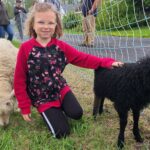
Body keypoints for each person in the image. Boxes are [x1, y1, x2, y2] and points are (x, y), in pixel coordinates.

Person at [14, 3, 123, 138]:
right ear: (33, 24)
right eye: (41, 22)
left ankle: (59, 107)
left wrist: (106, 62)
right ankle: (49, 111)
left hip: (60, 89)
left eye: (50, 23)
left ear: (56, 25)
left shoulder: (61, 47)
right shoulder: (25, 49)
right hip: (42, 96)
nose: (46, 26)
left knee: (77, 113)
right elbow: (19, 79)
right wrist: (24, 106)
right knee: (62, 133)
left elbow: (83, 58)